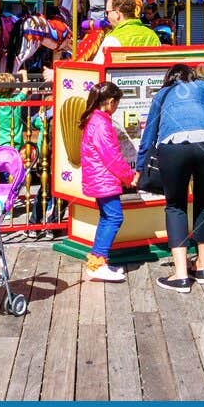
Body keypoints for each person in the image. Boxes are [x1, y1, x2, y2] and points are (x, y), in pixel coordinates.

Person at [135, 64, 204, 292]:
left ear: (169, 78)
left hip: (175, 145)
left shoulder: (163, 93)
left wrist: (140, 167)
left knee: (175, 205)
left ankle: (180, 275)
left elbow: (150, 134)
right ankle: (203, 268)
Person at [78, 82, 137, 282]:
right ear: (111, 102)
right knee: (114, 218)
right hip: (105, 180)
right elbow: (112, 158)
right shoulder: (102, 124)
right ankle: (98, 264)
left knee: (107, 217)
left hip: (99, 178)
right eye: (117, 103)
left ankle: (97, 262)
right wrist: (129, 176)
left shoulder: (95, 119)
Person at [97, 0, 161, 57]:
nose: (106, 16)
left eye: (107, 13)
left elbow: (97, 64)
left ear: (118, 13)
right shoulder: (153, 36)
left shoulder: (112, 39)